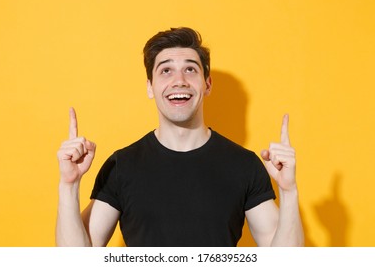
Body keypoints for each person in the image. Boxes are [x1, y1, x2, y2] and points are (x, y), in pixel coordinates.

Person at [56, 27, 304, 247]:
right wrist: (69, 185)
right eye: (165, 71)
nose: (179, 81)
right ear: (150, 87)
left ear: (207, 84)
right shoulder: (122, 166)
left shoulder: (244, 165)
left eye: (190, 69)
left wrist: (289, 191)